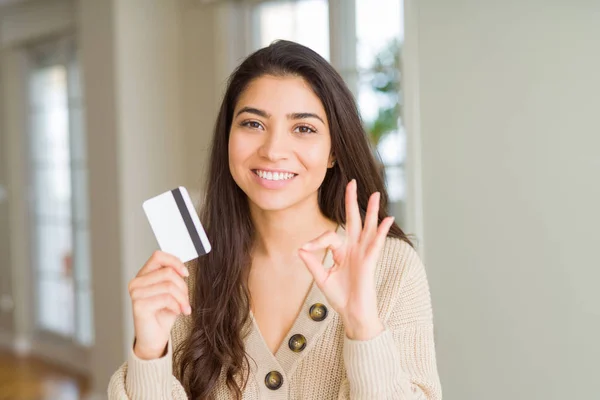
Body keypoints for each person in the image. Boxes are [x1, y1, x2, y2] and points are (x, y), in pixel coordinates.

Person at [108, 40, 441, 400]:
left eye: (304, 128)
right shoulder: (187, 275)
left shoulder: (391, 268)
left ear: (334, 152)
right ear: (228, 139)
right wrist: (150, 353)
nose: (273, 150)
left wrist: (363, 325)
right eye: (253, 123)